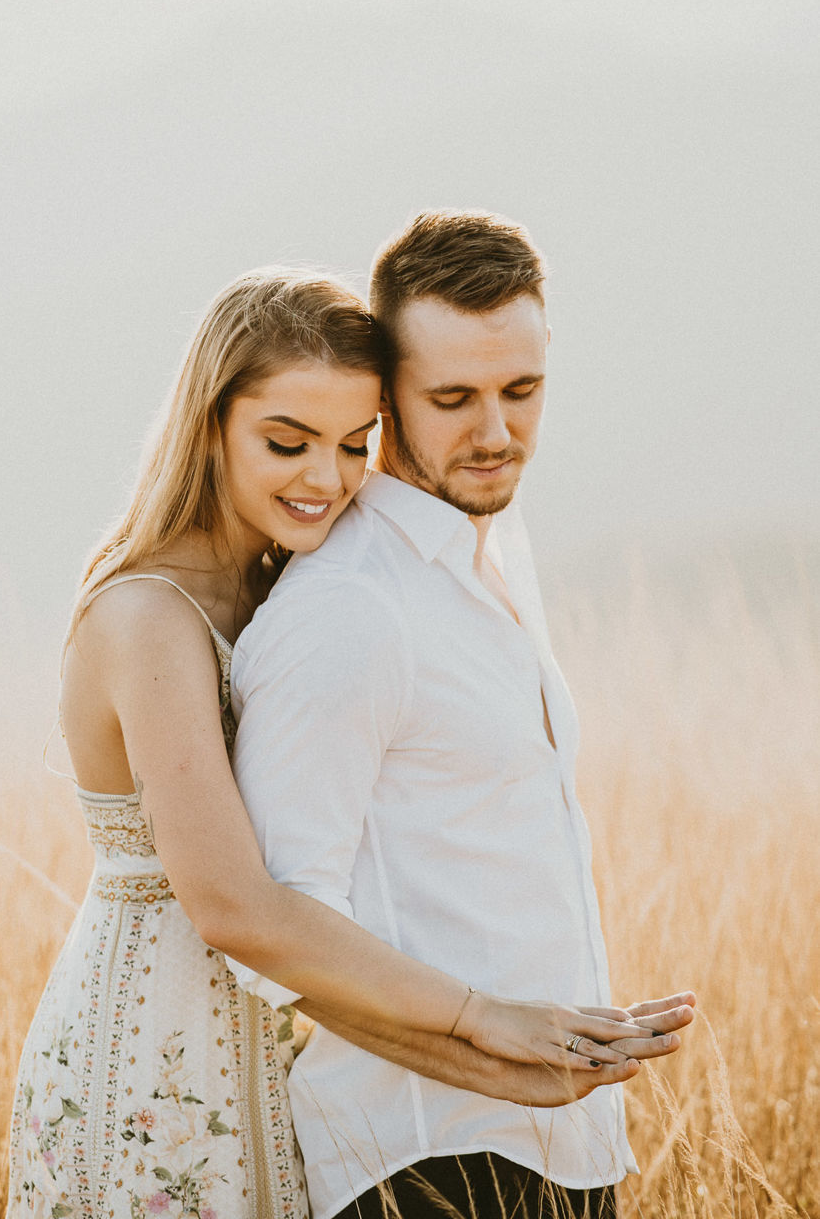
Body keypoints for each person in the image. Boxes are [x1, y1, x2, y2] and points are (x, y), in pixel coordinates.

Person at [8, 266, 686, 1219]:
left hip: (281, 1039)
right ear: (210, 426)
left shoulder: (280, 585)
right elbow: (235, 908)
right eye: (287, 443)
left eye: (353, 445)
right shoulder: (147, 617)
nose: (324, 479)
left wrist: (495, 1066)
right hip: (157, 1059)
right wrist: (484, 1027)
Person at [228, 214, 696, 1219]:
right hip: (423, 1160)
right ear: (383, 395)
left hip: (561, 1147)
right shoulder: (349, 608)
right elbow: (275, 932)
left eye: (519, 391)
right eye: (452, 399)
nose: (494, 432)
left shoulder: (489, 555)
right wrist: (502, 1066)